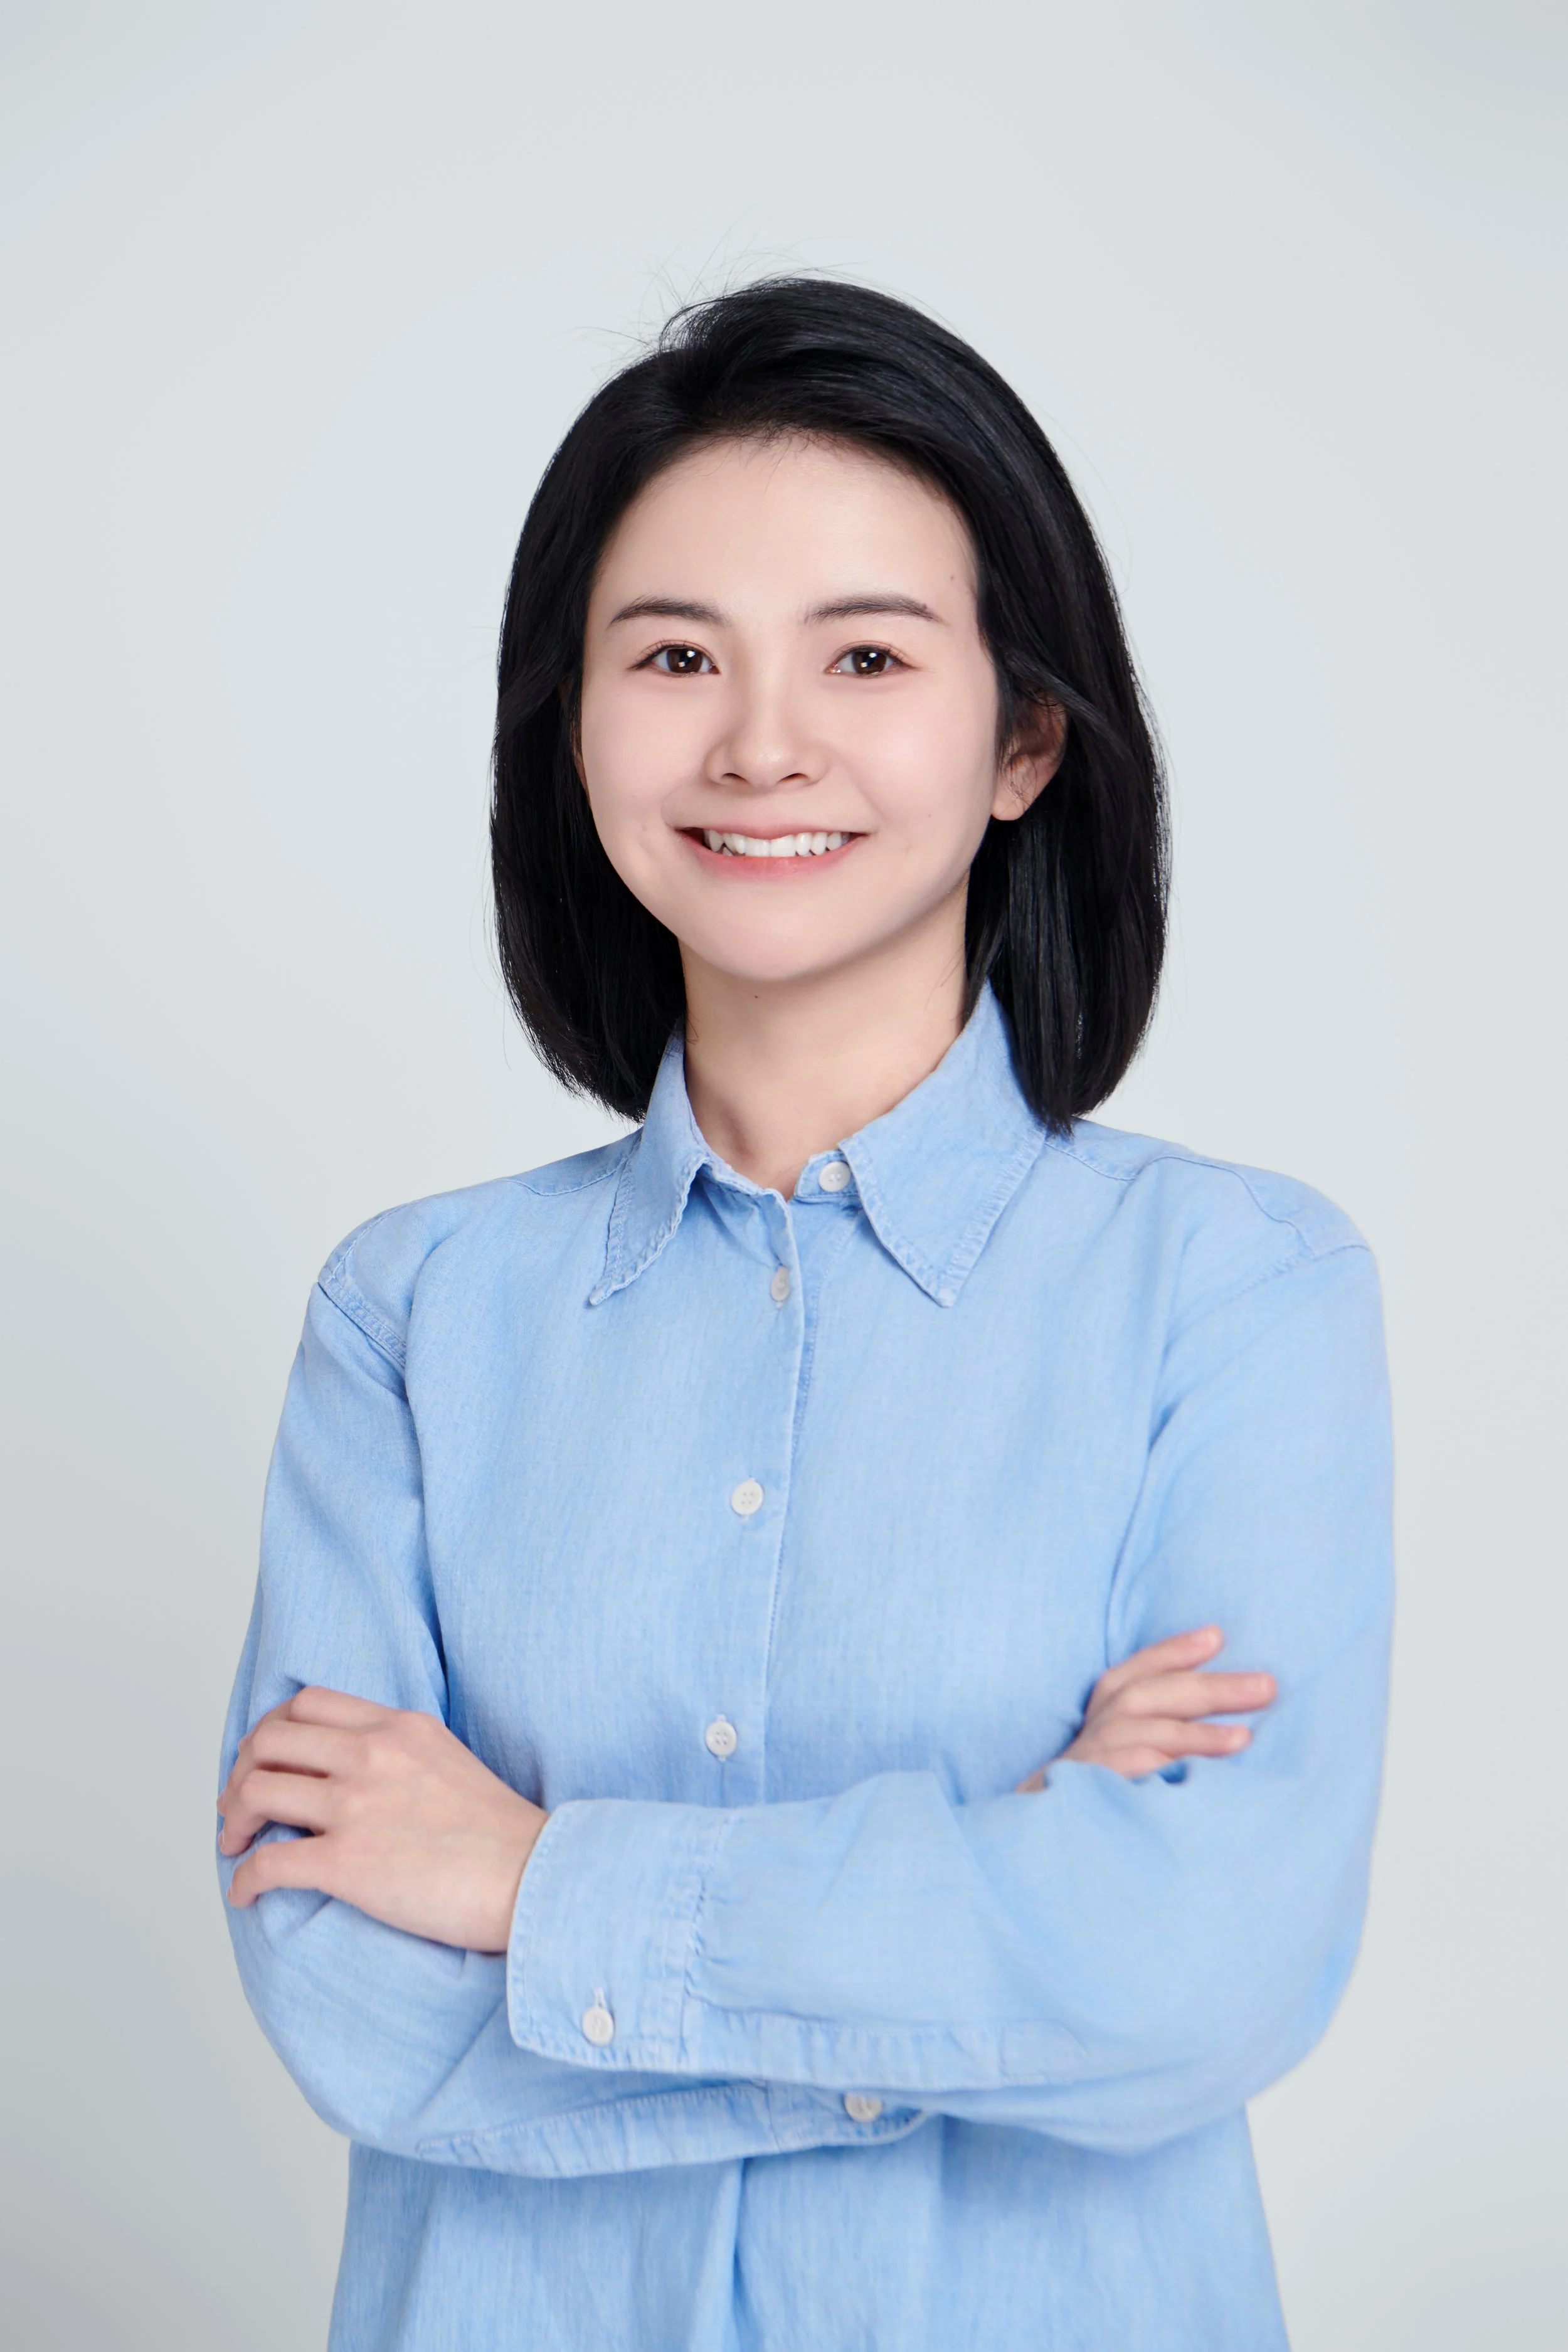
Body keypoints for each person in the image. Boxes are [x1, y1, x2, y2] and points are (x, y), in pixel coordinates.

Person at [216, 278, 1392, 2351]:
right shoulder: (412, 1316)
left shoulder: (1233, 1289)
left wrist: (530, 1886)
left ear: (1022, 734)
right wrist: (988, 1913)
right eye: (673, 654)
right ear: (571, 725)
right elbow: (345, 1995)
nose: (761, 740)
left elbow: (1191, 1969)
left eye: (864, 651)